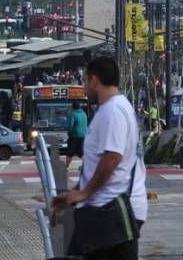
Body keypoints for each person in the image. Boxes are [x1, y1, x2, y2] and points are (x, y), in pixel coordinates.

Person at [53, 56, 148, 260]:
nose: (84, 88)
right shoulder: (113, 108)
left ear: (94, 80)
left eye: (85, 81)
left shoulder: (113, 110)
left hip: (112, 213)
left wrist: (84, 193)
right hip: (104, 212)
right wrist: (75, 192)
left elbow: (112, 157)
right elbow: (98, 161)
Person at [66, 100, 88, 169]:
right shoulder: (84, 113)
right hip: (84, 135)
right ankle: (86, 165)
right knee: (82, 152)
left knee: (70, 152)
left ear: (73, 107)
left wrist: (69, 133)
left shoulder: (73, 114)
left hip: (74, 136)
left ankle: (67, 166)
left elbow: (70, 126)